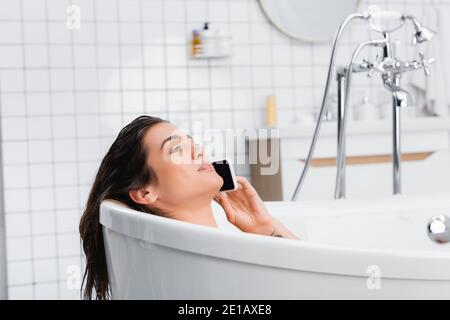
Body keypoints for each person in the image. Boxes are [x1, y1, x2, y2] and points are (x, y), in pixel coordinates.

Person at [79, 115, 298, 300]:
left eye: (192, 143)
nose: (199, 151)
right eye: (176, 149)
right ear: (145, 192)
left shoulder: (213, 263)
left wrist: (264, 226)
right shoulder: (207, 273)